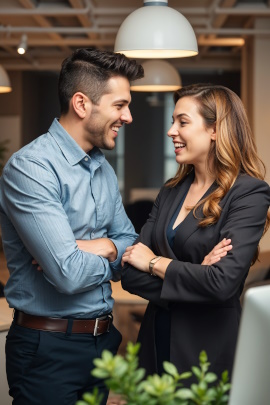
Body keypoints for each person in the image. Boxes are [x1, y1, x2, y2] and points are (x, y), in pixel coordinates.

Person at [0, 48, 143, 405]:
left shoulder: (103, 168)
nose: (128, 117)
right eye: (120, 105)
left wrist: (101, 246)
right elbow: (68, 274)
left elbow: (131, 244)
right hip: (47, 349)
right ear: (82, 104)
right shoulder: (31, 168)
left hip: (101, 343)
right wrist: (110, 249)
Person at [121, 83, 270, 380]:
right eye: (172, 121)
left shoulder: (249, 193)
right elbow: (129, 272)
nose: (171, 131)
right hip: (155, 340)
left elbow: (221, 284)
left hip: (207, 349)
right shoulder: (171, 191)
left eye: (183, 122)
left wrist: (156, 263)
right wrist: (194, 274)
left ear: (215, 130)